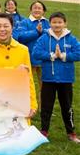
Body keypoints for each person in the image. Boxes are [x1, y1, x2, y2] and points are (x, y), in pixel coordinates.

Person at [32, 12, 80, 143]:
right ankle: (44, 131)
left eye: (60, 22)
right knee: (47, 106)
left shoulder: (71, 39)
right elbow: (35, 53)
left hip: (66, 79)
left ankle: (71, 132)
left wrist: (64, 56)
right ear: (50, 23)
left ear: (65, 23)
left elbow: (78, 53)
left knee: (67, 107)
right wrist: (52, 55)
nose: (57, 25)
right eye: (54, 22)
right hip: (48, 78)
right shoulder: (44, 38)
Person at [0, 13, 37, 121]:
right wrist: (15, 71)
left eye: (6, 26)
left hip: (19, 100)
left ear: (12, 28)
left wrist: (32, 104)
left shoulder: (23, 49)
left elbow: (29, 79)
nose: (2, 29)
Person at [17, 0, 50, 90]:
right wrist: (36, 32)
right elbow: (21, 37)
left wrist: (42, 31)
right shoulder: (24, 22)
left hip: (44, 58)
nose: (37, 10)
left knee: (44, 87)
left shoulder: (47, 22)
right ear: (30, 10)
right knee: (26, 85)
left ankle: (42, 104)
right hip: (29, 57)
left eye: (39, 8)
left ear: (43, 11)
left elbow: (52, 35)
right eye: (35, 8)